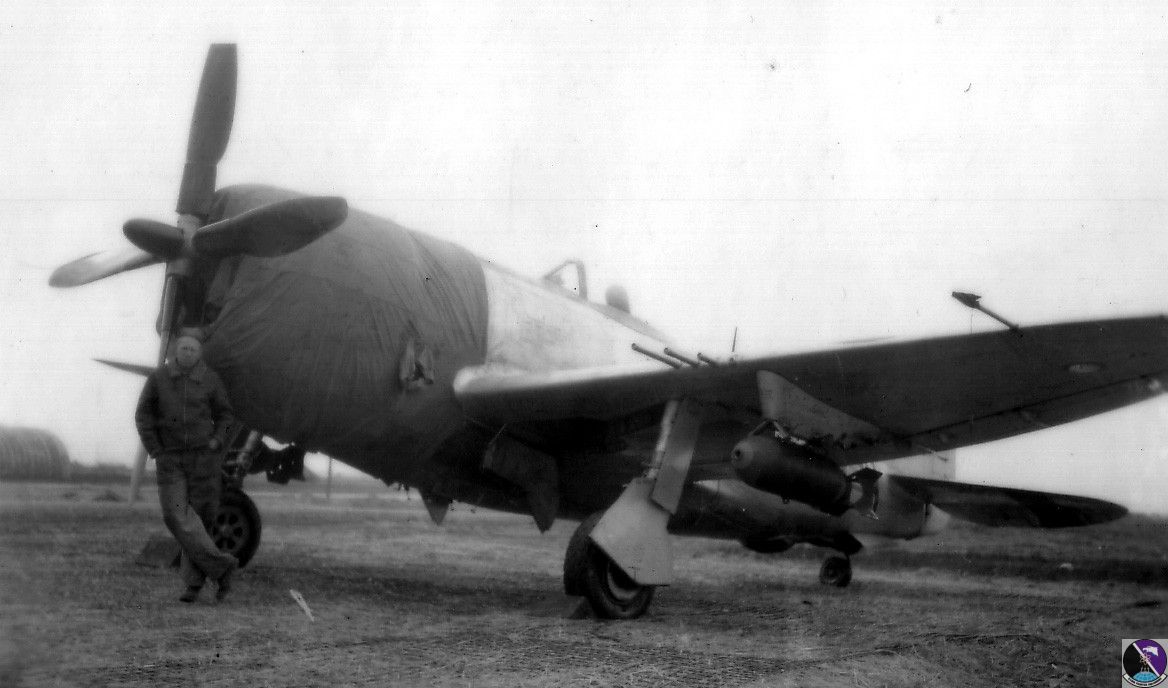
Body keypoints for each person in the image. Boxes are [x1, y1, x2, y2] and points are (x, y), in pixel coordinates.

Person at [135, 327, 238, 603]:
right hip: (170, 459)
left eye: (193, 349)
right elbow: (143, 415)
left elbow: (226, 415)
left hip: (203, 458)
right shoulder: (158, 379)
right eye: (184, 348)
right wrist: (155, 449)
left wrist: (217, 441)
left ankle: (193, 584)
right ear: (175, 350)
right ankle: (222, 567)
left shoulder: (211, 379)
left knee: (199, 520)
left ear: (200, 353)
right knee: (176, 516)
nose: (188, 352)